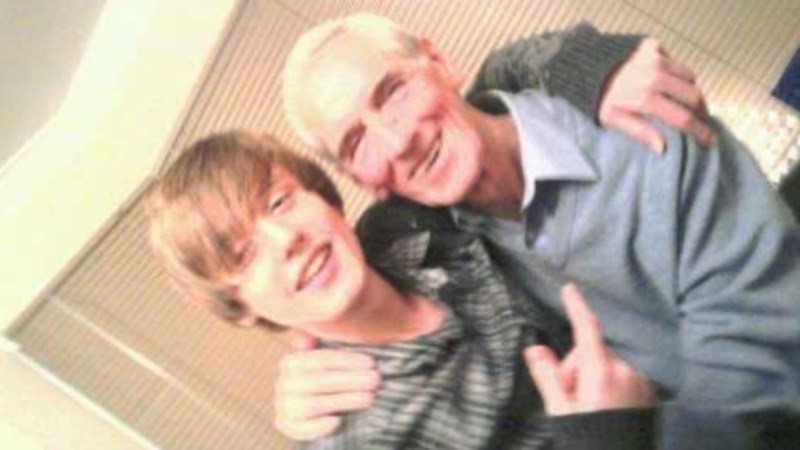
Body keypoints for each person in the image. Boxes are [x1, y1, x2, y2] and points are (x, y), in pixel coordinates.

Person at [279, 13, 800, 450]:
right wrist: (304, 372)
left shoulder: (642, 126)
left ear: (439, 62)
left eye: (394, 91)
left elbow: (768, 364)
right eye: (356, 143)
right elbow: (331, 275)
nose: (396, 143)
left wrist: (618, 438)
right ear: (362, 182)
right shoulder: (427, 247)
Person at [146, 131, 658, 449]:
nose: (286, 240)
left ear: (322, 198)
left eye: (279, 202)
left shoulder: (403, 227)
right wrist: (609, 435)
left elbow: (460, 115)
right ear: (239, 307)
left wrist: (597, 66)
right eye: (244, 255)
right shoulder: (356, 437)